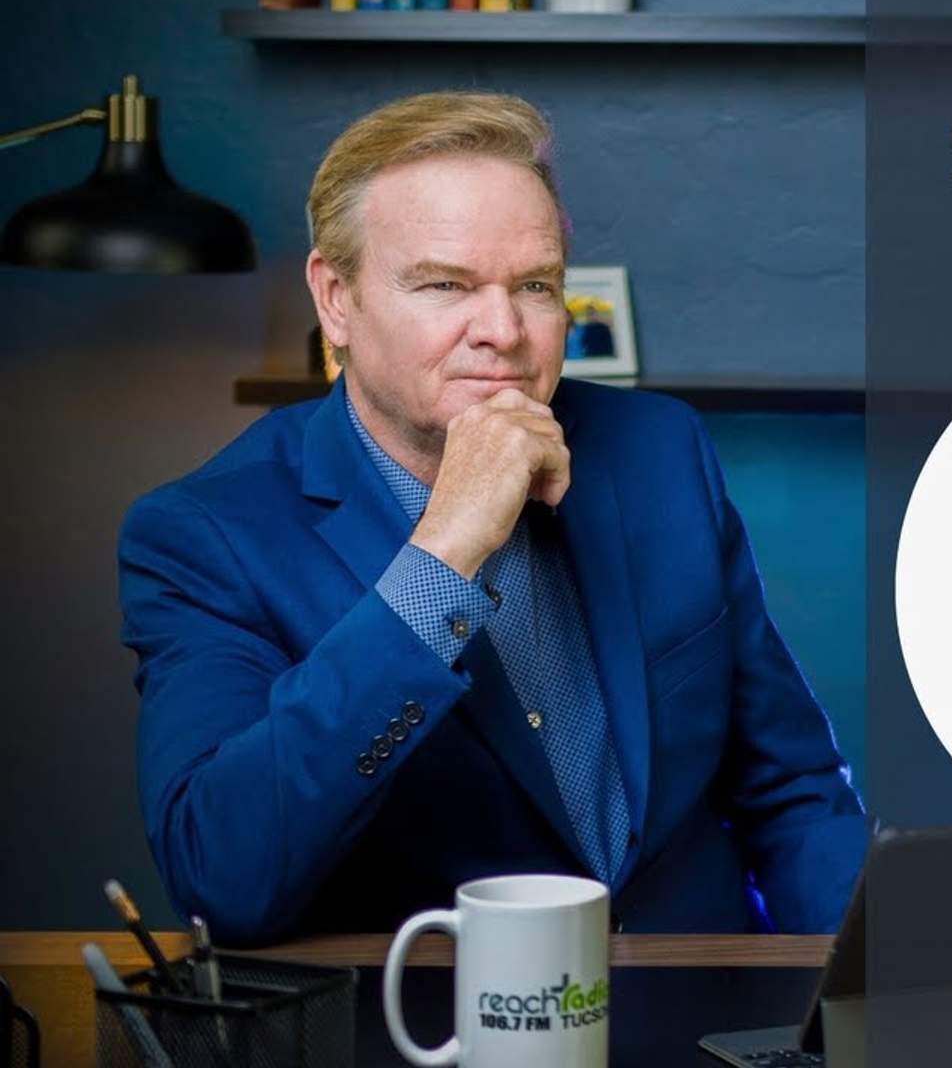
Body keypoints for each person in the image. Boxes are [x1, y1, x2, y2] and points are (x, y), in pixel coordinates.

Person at [117, 91, 865, 944]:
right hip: (441, 1029)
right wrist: (444, 551)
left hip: (703, 1016)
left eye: (536, 287)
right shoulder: (205, 535)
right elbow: (224, 877)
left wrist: (875, 1002)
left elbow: (793, 787)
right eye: (445, 285)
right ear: (335, 299)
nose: (503, 331)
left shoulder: (659, 450)